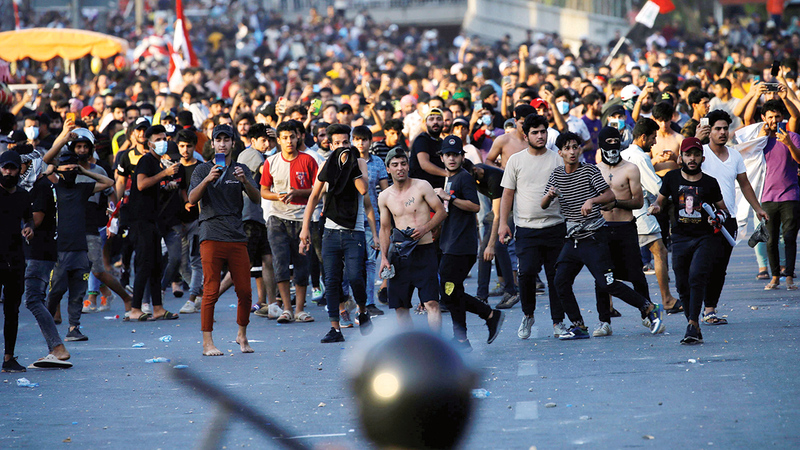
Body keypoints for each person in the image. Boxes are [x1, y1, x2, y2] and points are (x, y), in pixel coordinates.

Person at [542, 132, 664, 340]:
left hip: (595, 236)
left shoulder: (590, 170)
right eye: (567, 148)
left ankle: (649, 307)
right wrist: (550, 195)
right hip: (573, 239)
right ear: (560, 152)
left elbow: (609, 195)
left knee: (608, 282)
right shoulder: (557, 174)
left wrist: (592, 201)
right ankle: (579, 325)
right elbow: (543, 205)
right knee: (560, 280)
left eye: (575, 147)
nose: (572, 152)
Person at [188, 124, 261, 356]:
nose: (222, 144)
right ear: (212, 144)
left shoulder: (241, 169)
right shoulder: (202, 169)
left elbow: (257, 199)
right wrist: (207, 180)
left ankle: (242, 335)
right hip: (211, 234)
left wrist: (245, 181)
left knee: (245, 291)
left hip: (237, 235)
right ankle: (207, 342)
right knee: (210, 289)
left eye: (226, 140)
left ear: (233, 143)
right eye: (218, 140)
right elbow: (191, 199)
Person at [299, 124, 377, 343]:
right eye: (337, 143)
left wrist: (350, 163)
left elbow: (363, 190)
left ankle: (362, 310)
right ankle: (335, 328)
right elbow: (313, 197)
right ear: (330, 145)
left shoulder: (359, 163)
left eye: (345, 142)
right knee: (331, 281)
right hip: (331, 232)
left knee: (355, 277)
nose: (342, 146)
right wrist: (305, 228)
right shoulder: (326, 166)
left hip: (354, 233)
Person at [648, 138, 729, 344]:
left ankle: (692, 324)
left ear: (702, 158)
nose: (692, 159)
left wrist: (718, 217)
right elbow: (660, 200)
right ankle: (693, 325)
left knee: (696, 276)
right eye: (688, 154)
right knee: (682, 285)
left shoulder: (710, 182)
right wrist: (656, 207)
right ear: (681, 158)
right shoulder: (671, 178)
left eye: (696, 155)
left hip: (705, 238)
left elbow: (723, 210)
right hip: (680, 237)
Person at [499, 113, 569, 339]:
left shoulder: (558, 159)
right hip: (526, 229)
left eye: (543, 132)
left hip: (555, 227)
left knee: (556, 277)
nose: (540, 136)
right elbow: (507, 194)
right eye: (535, 132)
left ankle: (558, 322)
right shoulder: (516, 160)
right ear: (526, 136)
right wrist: (503, 224)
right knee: (526, 273)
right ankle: (528, 314)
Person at [695, 109, 768, 323]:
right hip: (702, 219)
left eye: (725, 128)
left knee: (719, 268)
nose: (722, 132)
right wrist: (696, 141)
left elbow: (744, 184)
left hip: (727, 219)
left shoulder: (734, 155)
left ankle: (710, 309)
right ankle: (694, 308)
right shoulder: (700, 153)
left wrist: (758, 208)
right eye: (717, 128)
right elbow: (684, 167)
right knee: (701, 266)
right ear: (709, 131)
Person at [435, 135, 504, 350]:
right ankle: (462, 339)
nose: (452, 158)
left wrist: (450, 198)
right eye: (448, 155)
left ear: (462, 157)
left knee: (448, 292)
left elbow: (475, 206)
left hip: (461, 246)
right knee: (451, 291)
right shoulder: (450, 178)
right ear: (442, 157)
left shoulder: (464, 178)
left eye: (455, 155)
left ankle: (489, 314)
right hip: (450, 243)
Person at [593, 126, 654, 337]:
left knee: (636, 273)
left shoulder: (630, 168)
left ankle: (648, 315)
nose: (612, 147)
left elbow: (638, 201)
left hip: (625, 227)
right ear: (601, 146)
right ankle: (604, 321)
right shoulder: (595, 170)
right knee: (602, 277)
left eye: (615, 142)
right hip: (602, 229)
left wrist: (616, 203)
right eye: (608, 143)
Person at [378, 148, 445, 331]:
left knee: (432, 303)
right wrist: (384, 258)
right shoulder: (384, 196)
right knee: (400, 307)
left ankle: (434, 345)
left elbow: (441, 212)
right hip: (400, 255)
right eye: (395, 165)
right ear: (388, 169)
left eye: (403, 164)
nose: (400, 168)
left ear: (408, 166)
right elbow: (385, 229)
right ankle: (411, 346)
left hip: (424, 251)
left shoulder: (422, 186)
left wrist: (425, 228)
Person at [260, 121, 318, 323]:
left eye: (292, 137)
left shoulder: (309, 160)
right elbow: (264, 191)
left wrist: (298, 193)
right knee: (280, 263)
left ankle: (300, 309)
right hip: (277, 218)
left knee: (302, 264)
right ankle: (286, 308)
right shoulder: (271, 162)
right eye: (284, 137)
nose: (289, 141)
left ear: (298, 137)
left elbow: (317, 190)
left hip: (302, 218)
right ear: (278, 140)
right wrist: (277, 196)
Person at [621, 118, 680, 313]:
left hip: (623, 211)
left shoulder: (624, 154)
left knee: (616, 260)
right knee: (660, 252)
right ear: (643, 137)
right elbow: (655, 187)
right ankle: (667, 299)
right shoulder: (640, 157)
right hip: (641, 211)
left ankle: (608, 306)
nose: (655, 143)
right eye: (653, 138)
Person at [126, 125, 181, 322]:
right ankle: (135, 308)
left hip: (153, 220)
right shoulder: (146, 160)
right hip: (141, 221)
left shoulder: (157, 163)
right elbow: (141, 184)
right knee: (144, 264)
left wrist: (165, 185)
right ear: (149, 144)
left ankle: (158, 308)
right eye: (158, 140)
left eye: (164, 139)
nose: (162, 143)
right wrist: (164, 175)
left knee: (156, 264)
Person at [755, 101, 800, 290]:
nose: (774, 120)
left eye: (777, 117)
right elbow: (750, 157)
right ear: (764, 118)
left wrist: (788, 143)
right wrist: (760, 137)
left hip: (791, 195)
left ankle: (788, 276)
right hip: (767, 197)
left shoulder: (793, 136)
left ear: (783, 118)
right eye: (770, 117)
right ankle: (774, 276)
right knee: (770, 239)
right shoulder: (761, 140)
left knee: (789, 238)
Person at [0, 151, 35, 372]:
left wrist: (29, 227)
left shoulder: (22, 195)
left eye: (12, 168)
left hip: (15, 259)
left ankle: (8, 358)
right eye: (5, 168)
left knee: (12, 311)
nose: (8, 172)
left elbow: (28, 217)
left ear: (18, 170)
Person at [352, 125, 388, 317]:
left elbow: (385, 191)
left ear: (370, 141)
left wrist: (386, 216)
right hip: (350, 218)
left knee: (370, 261)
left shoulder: (378, 162)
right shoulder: (348, 161)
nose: (361, 143)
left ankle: (369, 302)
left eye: (364, 139)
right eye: (357, 139)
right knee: (352, 263)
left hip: (372, 217)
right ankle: (349, 302)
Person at [408, 108, 447, 189]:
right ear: (425, 123)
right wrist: (447, 174)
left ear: (443, 123)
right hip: (420, 189)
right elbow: (425, 164)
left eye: (439, 119)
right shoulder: (422, 139)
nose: (435, 122)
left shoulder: (442, 142)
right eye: (431, 119)